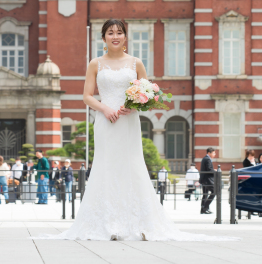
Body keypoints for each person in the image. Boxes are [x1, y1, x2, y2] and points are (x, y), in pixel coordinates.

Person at [40, 19, 235, 241]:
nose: (115, 36)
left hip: (128, 121)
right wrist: (104, 109)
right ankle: (106, 222)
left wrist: (132, 105)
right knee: (105, 167)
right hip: (105, 121)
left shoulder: (135, 63)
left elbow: (150, 94)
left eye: (119, 32)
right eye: (110, 33)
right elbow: (86, 96)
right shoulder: (95, 63)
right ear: (103, 38)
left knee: (132, 166)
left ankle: (141, 223)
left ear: (125, 37)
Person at [200, 148, 217, 215]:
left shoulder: (205, 158)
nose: (214, 154)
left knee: (205, 194)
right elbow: (209, 170)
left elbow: (208, 168)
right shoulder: (207, 159)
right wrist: (215, 171)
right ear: (209, 153)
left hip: (204, 179)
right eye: (213, 153)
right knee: (214, 191)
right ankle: (205, 207)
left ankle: (203, 209)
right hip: (207, 180)